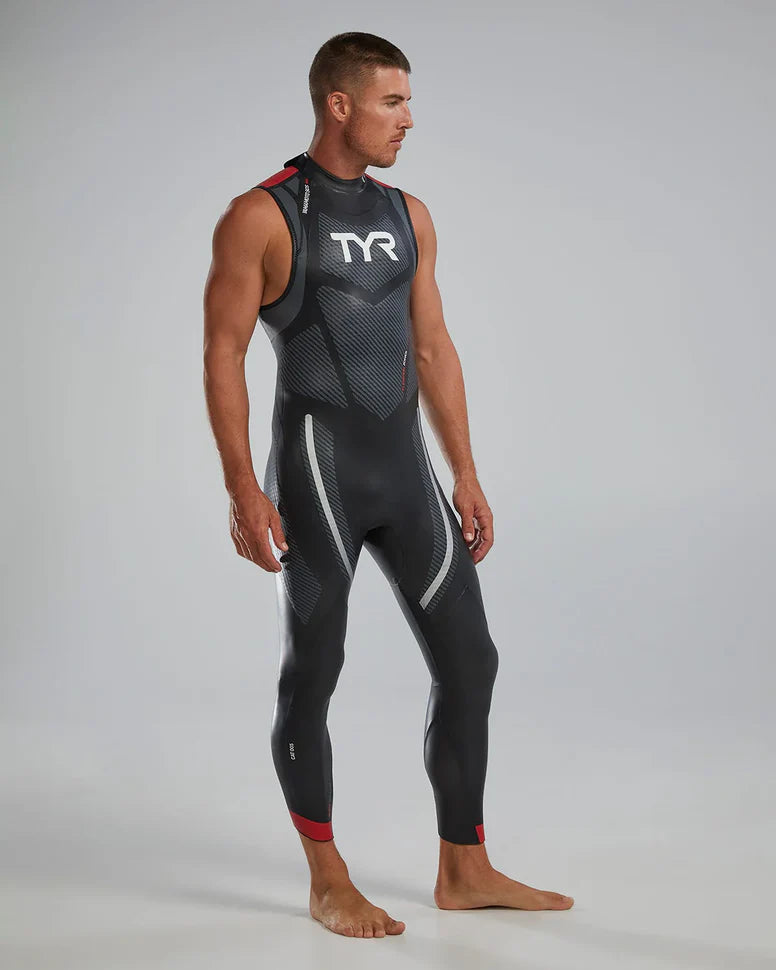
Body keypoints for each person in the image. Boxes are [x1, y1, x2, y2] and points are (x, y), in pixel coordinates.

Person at [203, 30, 574, 938]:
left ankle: (464, 867)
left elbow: (433, 346)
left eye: (408, 101)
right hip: (318, 473)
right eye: (393, 102)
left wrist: (467, 471)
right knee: (315, 669)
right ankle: (327, 878)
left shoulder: (410, 214)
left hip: (407, 474)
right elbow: (222, 352)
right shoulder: (262, 214)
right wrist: (243, 489)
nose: (409, 119)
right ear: (341, 105)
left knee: (471, 660)